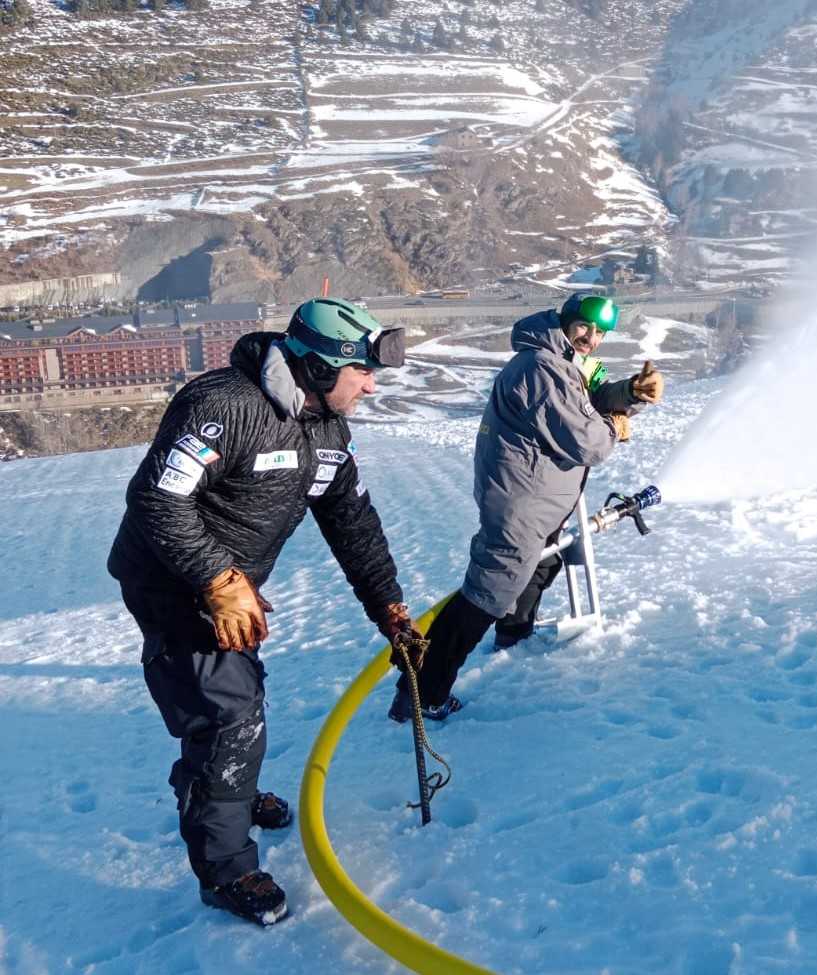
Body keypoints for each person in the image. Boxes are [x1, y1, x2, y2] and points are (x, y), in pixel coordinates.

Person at [107, 298, 427, 926]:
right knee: (227, 718)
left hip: (232, 587)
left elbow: (352, 522)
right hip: (171, 582)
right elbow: (156, 500)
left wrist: (387, 606)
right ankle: (226, 869)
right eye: (362, 371)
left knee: (237, 695)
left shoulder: (327, 432)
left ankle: (233, 790)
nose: (371, 383)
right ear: (315, 366)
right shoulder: (222, 406)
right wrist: (217, 579)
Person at [388, 293, 664, 723]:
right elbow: (587, 439)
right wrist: (615, 427)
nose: (591, 339)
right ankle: (422, 695)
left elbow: (583, 403)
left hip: (537, 499)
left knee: (536, 567)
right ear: (565, 322)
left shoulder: (557, 362)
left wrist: (627, 394)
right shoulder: (541, 367)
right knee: (482, 598)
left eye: (600, 333)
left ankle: (512, 636)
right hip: (521, 502)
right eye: (584, 328)